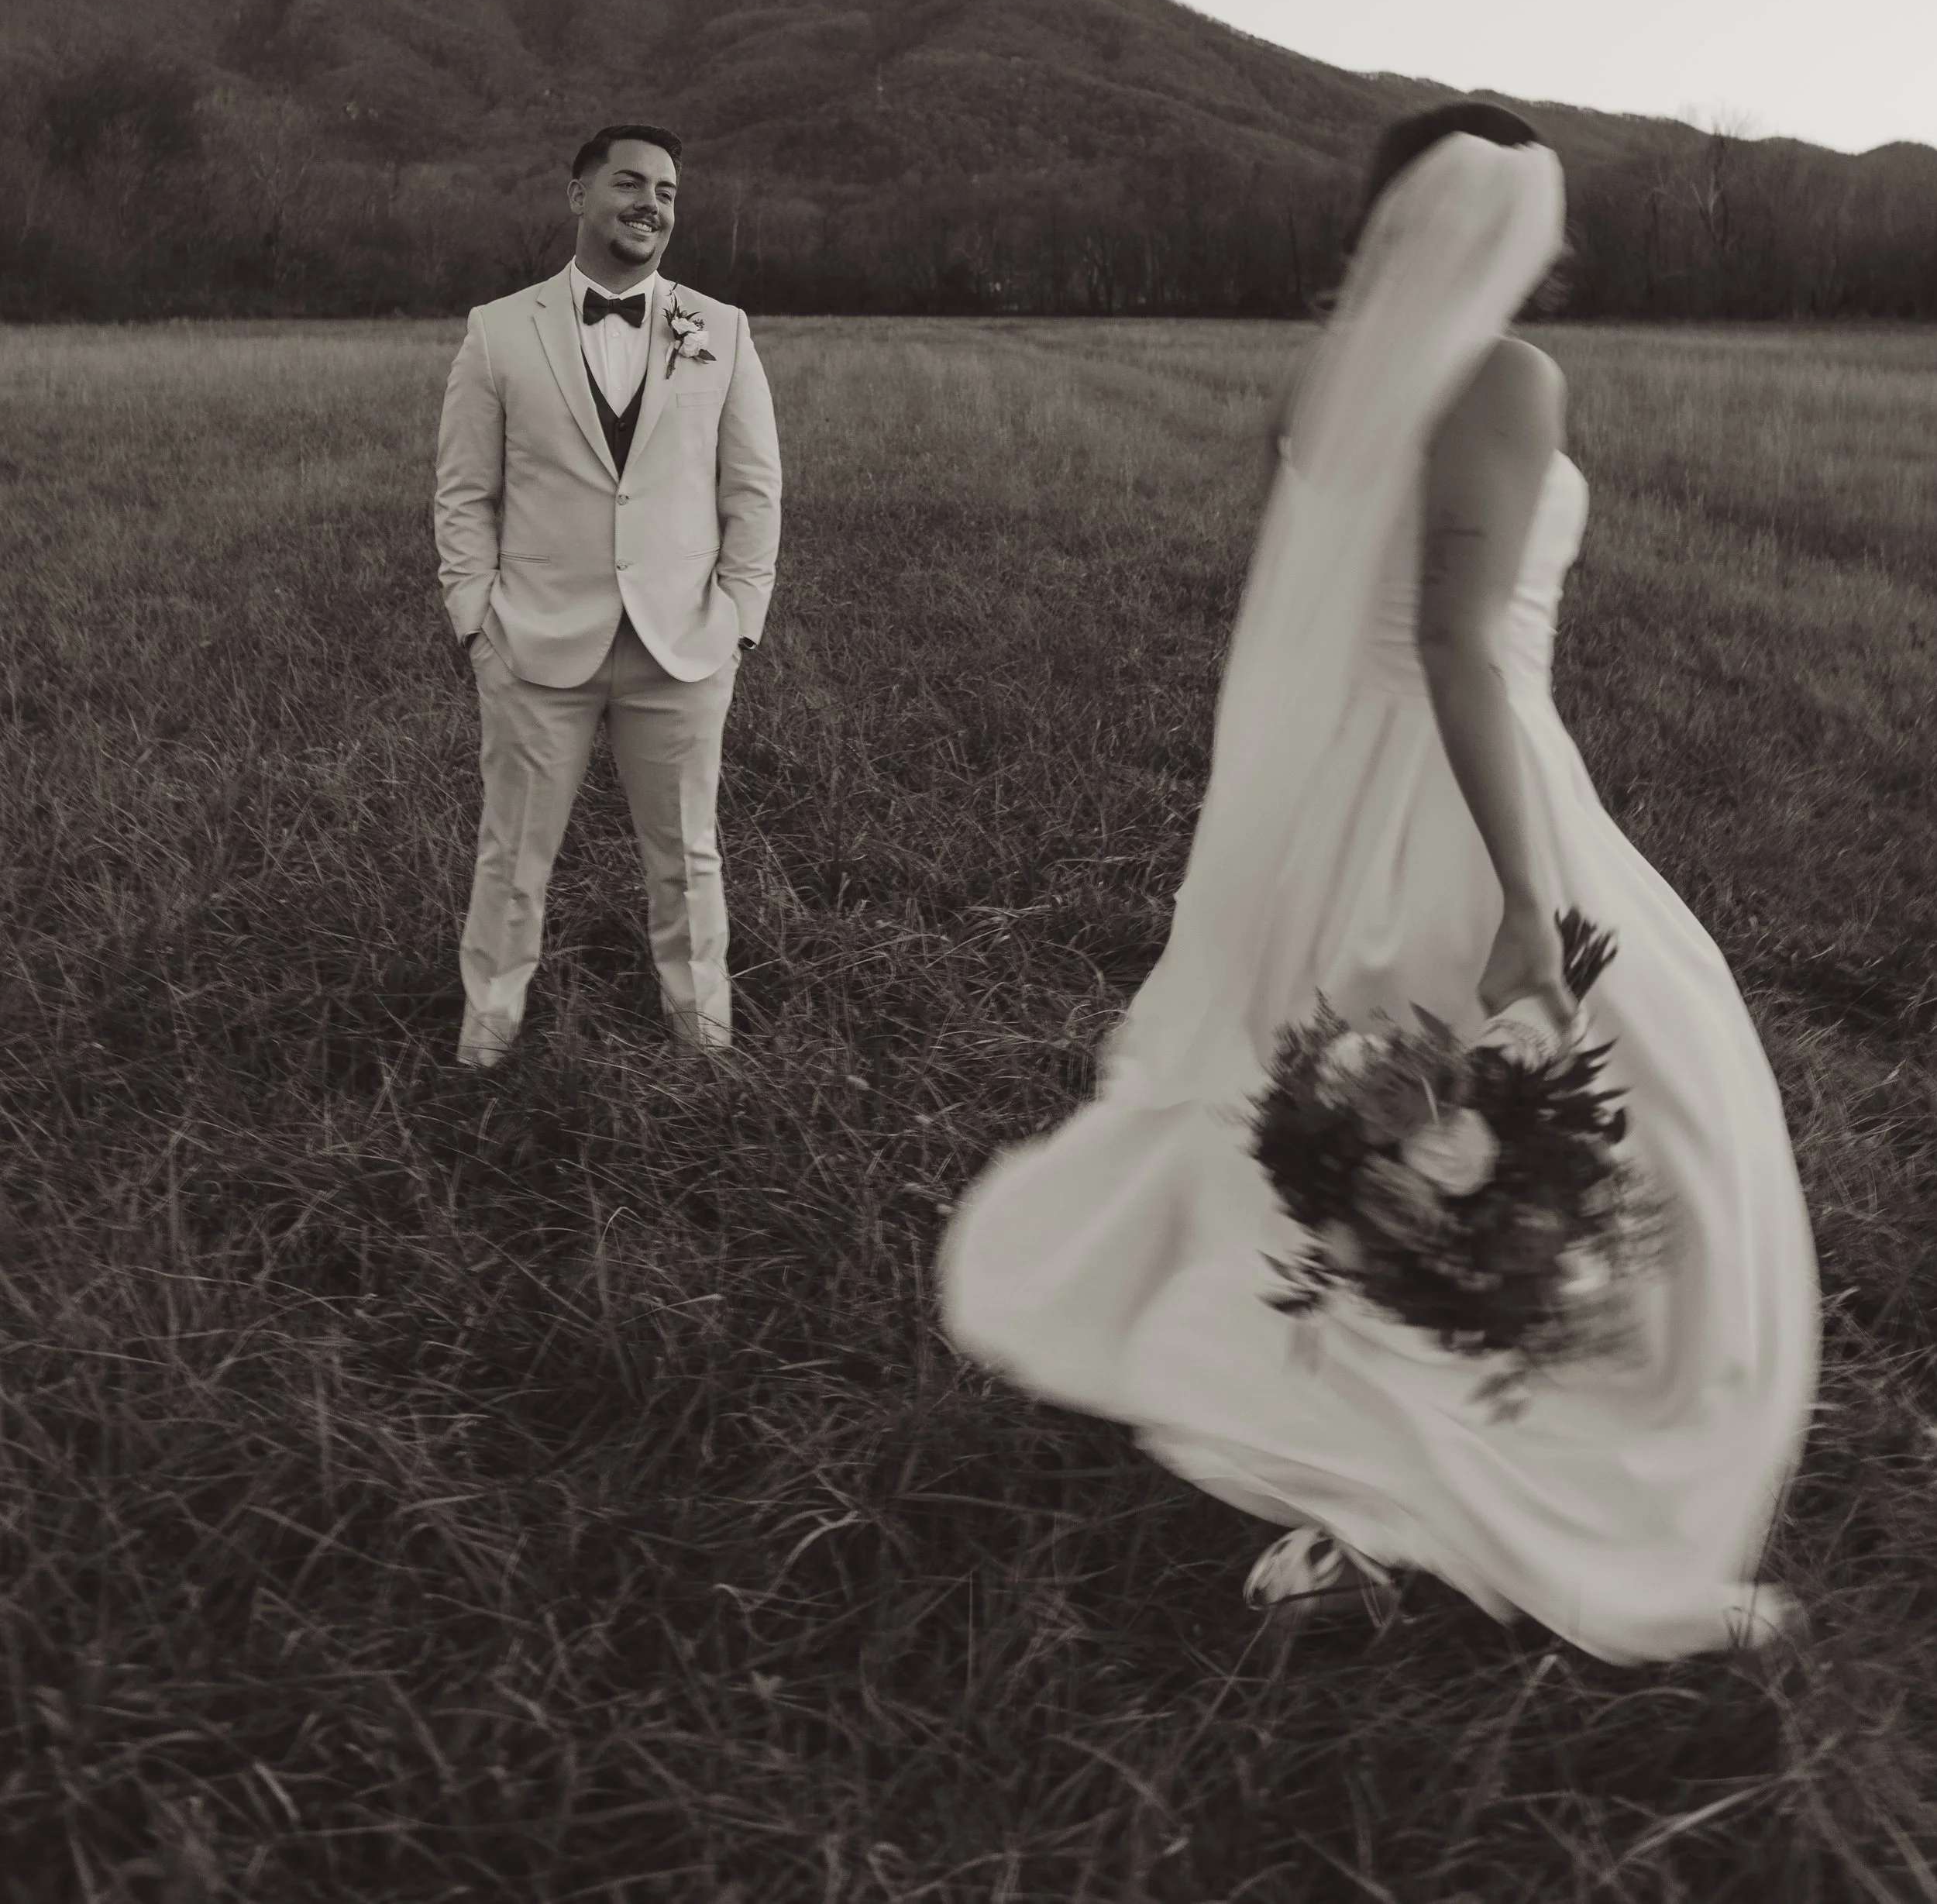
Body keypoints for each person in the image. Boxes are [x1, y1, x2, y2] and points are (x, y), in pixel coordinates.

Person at [938, 109, 1819, 1662]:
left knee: (1372, 1120)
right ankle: (1508, 1471)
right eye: (1541, 211)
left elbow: (1333, 607)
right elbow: (1458, 644)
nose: (1557, 243)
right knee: (1647, 1102)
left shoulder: (1335, 376)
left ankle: (1355, 1462)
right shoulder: (1506, 376)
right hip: (1461, 788)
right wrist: (1526, 894)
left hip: (1336, 795)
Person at [434, 123, 781, 1068]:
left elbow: (753, 491)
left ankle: (703, 1040)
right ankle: (486, 1042)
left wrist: (740, 621)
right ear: (578, 194)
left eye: (667, 192)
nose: (650, 205)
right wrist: (476, 623)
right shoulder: (499, 330)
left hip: (684, 646)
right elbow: (464, 492)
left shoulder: (722, 328)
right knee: (511, 856)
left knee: (689, 855)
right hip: (533, 643)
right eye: (630, 184)